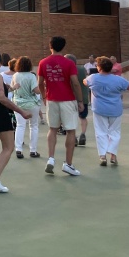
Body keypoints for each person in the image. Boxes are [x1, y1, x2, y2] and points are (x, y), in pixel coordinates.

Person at [0, 51, 32, 193]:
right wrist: (21, 111)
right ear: (0, 62)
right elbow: (1, 98)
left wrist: (10, 87)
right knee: (8, 147)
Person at [37, 36, 83, 176]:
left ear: (50, 46)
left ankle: (51, 158)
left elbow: (40, 83)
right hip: (68, 99)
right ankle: (68, 164)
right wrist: (80, 101)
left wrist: (44, 96)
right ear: (63, 47)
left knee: (52, 129)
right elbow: (75, 83)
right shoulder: (69, 63)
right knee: (70, 131)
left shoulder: (43, 62)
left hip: (51, 99)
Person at [84, 56, 129, 166]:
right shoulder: (118, 79)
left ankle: (102, 156)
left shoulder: (93, 78)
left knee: (101, 132)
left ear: (99, 67)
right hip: (115, 109)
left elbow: (84, 82)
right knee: (115, 132)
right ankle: (113, 155)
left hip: (99, 109)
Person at [12, 56, 42, 159]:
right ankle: (33, 150)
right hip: (31, 104)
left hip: (18, 104)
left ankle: (18, 149)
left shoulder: (15, 75)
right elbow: (36, 90)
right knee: (33, 126)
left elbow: (13, 88)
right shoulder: (31, 76)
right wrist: (42, 88)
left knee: (20, 126)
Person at [65, 53, 91, 147]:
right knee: (83, 117)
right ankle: (83, 134)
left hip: (70, 97)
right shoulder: (82, 69)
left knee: (71, 118)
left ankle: (74, 137)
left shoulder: (67, 70)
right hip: (83, 96)